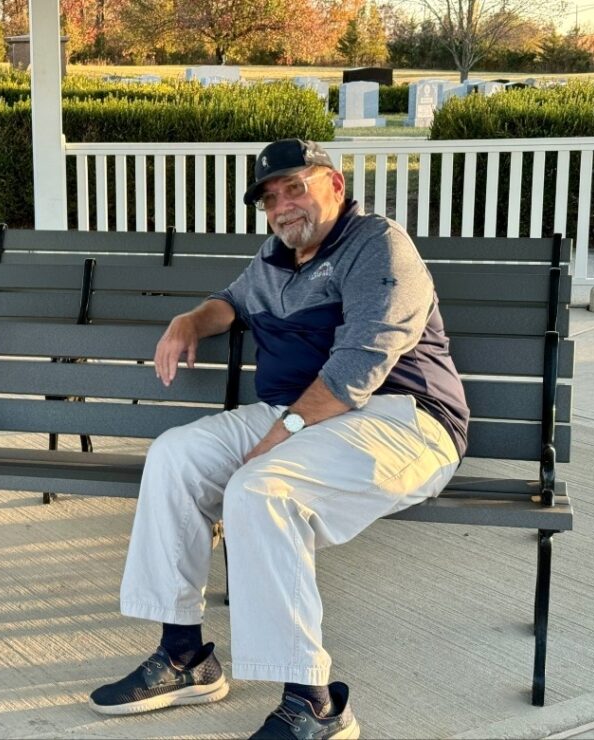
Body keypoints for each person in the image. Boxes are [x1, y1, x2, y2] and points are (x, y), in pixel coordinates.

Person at [88, 139, 469, 739]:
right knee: (174, 456)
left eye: (295, 187)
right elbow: (233, 302)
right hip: (299, 414)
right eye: (270, 197)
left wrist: (284, 432)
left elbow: (359, 367)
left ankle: (313, 704)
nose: (282, 205)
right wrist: (189, 320)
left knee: (261, 486)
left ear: (335, 186)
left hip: (403, 419)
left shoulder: (377, 246)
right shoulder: (275, 256)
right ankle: (184, 656)